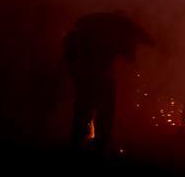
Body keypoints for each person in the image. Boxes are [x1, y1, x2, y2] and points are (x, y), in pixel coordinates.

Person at [64, 11, 154, 152]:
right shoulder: (116, 30)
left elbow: (70, 54)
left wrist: (75, 73)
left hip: (85, 77)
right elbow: (131, 55)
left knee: (82, 113)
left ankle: (76, 146)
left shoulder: (85, 27)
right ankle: (98, 146)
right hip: (102, 78)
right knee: (104, 114)